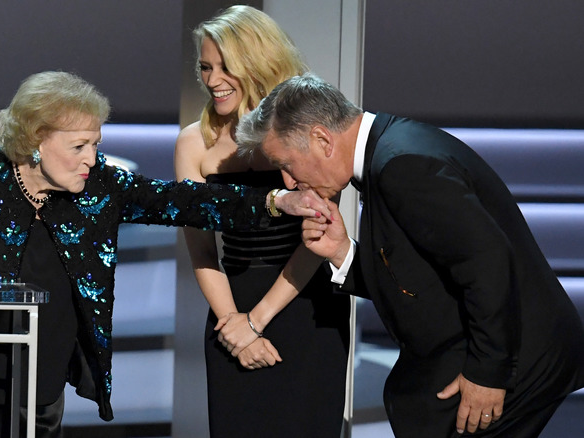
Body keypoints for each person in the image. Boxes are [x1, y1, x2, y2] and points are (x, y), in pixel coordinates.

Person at [0, 71, 327, 438]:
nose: (91, 158)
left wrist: (273, 202)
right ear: (35, 140)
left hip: (35, 390)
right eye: (79, 146)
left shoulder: (101, 186)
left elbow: (181, 200)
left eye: (96, 145)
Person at [233, 72, 584, 437]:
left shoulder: (403, 165)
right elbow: (418, 279)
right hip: (480, 352)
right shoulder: (389, 152)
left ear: (322, 139)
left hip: (518, 359)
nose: (288, 182)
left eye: (287, 165)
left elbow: (489, 263)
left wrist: (488, 373)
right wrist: (340, 251)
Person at [174, 6, 349, 438]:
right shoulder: (194, 144)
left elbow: (317, 239)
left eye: (225, 67)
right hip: (229, 312)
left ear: (258, 62)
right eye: (205, 67)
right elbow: (200, 249)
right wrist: (236, 327)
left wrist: (258, 321)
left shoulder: (311, 130)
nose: (212, 80)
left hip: (307, 307)